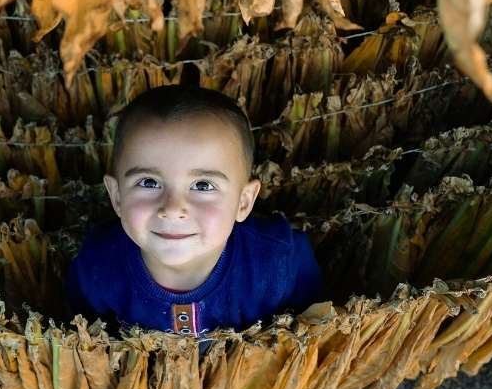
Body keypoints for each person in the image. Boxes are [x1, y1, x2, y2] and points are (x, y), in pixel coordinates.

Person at [66, 85, 322, 336]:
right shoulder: (97, 268)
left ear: (243, 202)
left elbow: (313, 326)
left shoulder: (278, 263)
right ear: (117, 196)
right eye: (149, 182)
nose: (173, 208)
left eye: (202, 185)